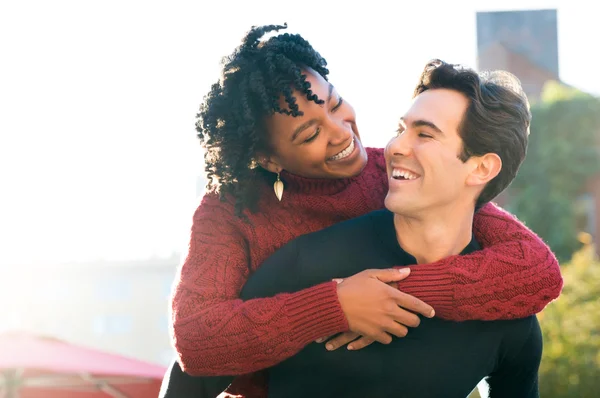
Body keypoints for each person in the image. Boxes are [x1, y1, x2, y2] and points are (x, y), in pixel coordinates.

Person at [164, 24, 562, 398]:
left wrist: (390, 294)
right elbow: (197, 342)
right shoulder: (231, 209)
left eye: (335, 105)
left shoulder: (393, 174)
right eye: (311, 133)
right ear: (268, 158)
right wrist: (335, 306)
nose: (341, 132)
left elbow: (534, 267)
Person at [240, 59, 543, 398]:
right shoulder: (308, 262)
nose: (395, 146)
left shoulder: (509, 316)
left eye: (425, 134)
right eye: (401, 129)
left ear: (481, 168)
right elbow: (196, 371)